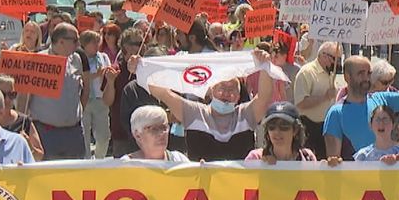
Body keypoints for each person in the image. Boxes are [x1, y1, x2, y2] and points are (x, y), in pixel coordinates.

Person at [147, 52, 275, 162]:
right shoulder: (195, 112)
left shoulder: (245, 114)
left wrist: (264, 65)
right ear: (212, 90)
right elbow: (164, 94)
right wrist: (141, 70)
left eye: (232, 90)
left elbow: (264, 96)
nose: (226, 93)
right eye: (222, 88)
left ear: (238, 96)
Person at [324, 55, 399, 160]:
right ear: (347, 77)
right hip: (356, 176)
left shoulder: (381, 98)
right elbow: (334, 161)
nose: (366, 78)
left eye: (368, 73)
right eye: (361, 73)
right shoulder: (336, 113)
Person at [27, 23, 88, 160]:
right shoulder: (38, 60)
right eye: (74, 40)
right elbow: (25, 98)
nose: (78, 44)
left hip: (74, 132)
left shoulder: (76, 59)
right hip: (47, 133)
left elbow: (82, 90)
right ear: (61, 41)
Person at [293, 41, 341, 157]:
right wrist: (324, 97)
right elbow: (301, 103)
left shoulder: (330, 73)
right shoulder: (307, 73)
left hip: (326, 126)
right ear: (324, 55)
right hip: (308, 126)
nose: (337, 63)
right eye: (335, 59)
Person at [107, 28, 146, 156]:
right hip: (122, 134)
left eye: (143, 42)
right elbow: (107, 101)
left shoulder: (147, 67)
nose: (143, 46)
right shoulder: (115, 70)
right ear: (126, 47)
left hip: (147, 133)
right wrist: (111, 82)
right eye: (138, 44)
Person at [0, 74, 45, 161]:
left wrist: (29, 146)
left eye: (12, 95)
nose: (7, 100)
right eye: (2, 95)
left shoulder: (24, 122)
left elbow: (39, 157)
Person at [76, 30, 113, 159]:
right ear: (85, 44)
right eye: (93, 42)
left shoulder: (103, 57)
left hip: (100, 99)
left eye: (98, 41)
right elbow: (79, 77)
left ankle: (99, 159)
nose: (97, 45)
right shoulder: (78, 58)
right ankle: (86, 161)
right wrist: (95, 75)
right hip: (83, 100)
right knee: (84, 135)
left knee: (104, 136)